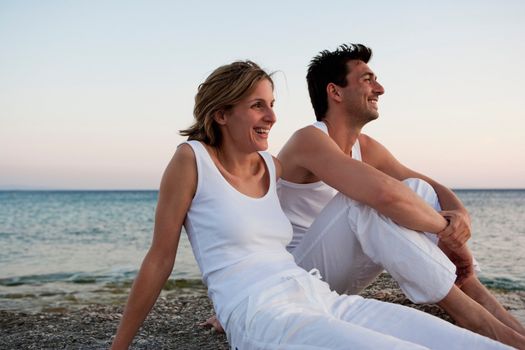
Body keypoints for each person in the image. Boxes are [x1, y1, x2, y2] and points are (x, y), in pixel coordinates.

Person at [111, 60, 513, 349]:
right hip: (262, 312)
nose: (271, 115)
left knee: (463, 343)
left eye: (271, 104)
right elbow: (160, 260)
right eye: (257, 105)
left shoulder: (272, 165)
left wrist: (456, 217)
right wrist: (119, 347)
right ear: (221, 114)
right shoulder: (191, 160)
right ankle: (471, 307)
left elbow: (405, 187)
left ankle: (484, 320)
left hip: (316, 293)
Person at [275, 43, 525, 345]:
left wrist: (461, 216)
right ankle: (476, 321)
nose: (379, 89)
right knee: (362, 202)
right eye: (367, 79)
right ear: (335, 92)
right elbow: (384, 195)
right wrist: (447, 231)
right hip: (295, 278)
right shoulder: (308, 140)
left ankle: (484, 300)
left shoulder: (365, 147)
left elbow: (431, 188)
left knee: (415, 190)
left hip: (334, 277)